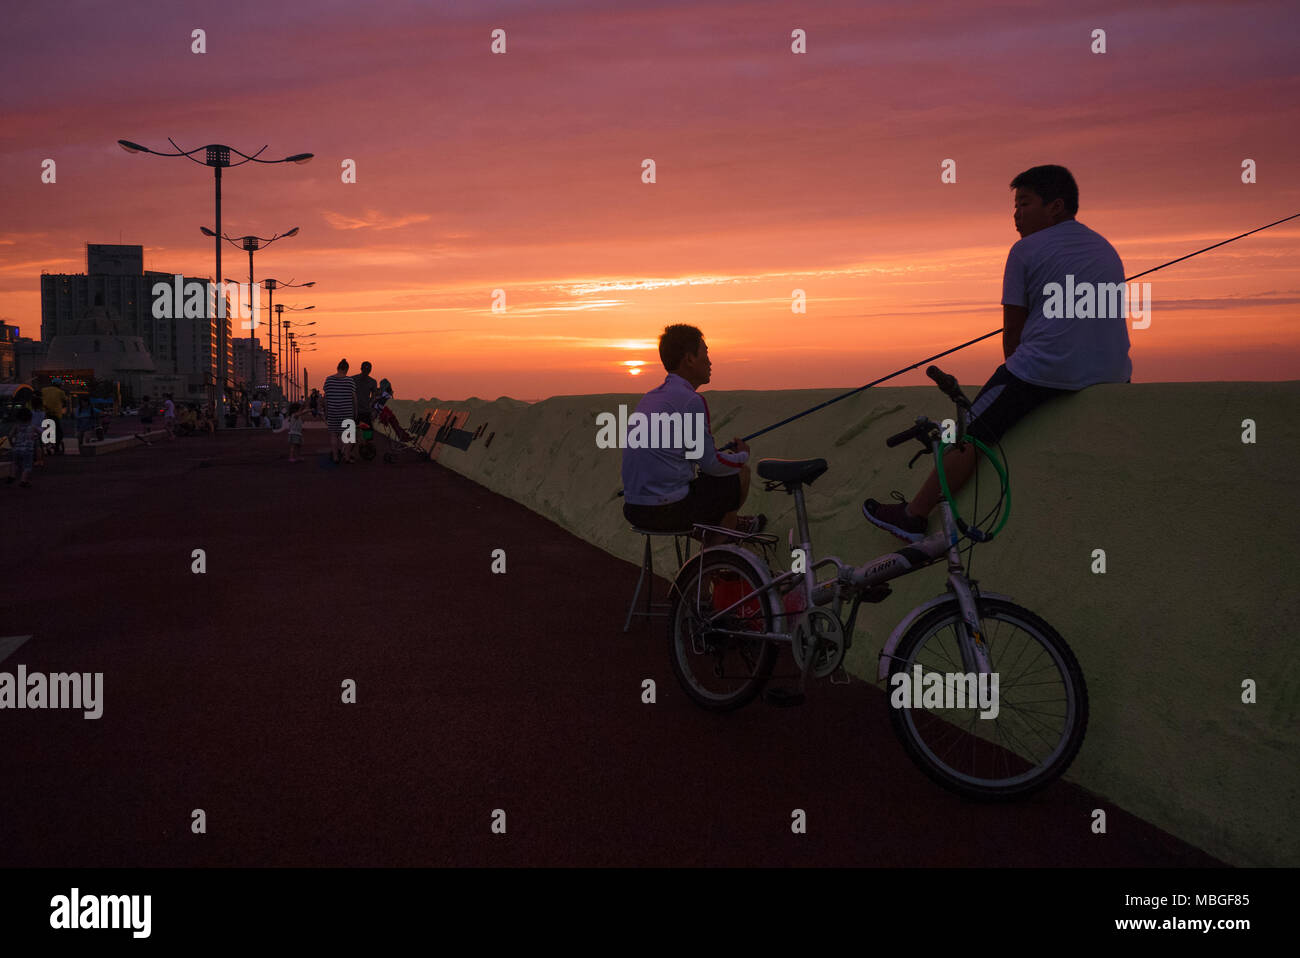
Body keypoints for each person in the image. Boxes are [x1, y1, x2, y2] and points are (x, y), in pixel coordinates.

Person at [863, 164, 1132, 542]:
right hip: (1113, 373)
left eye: (1024, 203)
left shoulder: (1024, 250)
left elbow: (1013, 340)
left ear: (1055, 206)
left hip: (1046, 370)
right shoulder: (1106, 247)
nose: (1015, 214)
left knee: (969, 433)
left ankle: (913, 515)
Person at [621, 324, 765, 542]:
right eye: (705, 353)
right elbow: (710, 464)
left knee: (709, 484)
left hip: (634, 509)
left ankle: (725, 530)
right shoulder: (691, 401)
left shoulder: (650, 398)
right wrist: (742, 455)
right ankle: (717, 555)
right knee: (741, 474)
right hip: (665, 511)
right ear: (689, 359)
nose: (709, 361)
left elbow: (682, 454)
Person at [322, 358, 358, 463]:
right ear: (347, 369)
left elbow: (326, 398)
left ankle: (335, 457)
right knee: (348, 435)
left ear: (337, 368)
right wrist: (355, 412)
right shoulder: (349, 380)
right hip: (347, 412)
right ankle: (346, 457)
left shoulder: (329, 380)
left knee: (333, 435)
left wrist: (326, 411)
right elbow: (354, 398)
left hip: (333, 412)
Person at [5, 408, 38, 487]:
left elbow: (10, 436)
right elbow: (41, 432)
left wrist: (12, 444)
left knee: (15, 463)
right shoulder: (32, 427)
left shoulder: (16, 426)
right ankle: (23, 481)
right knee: (27, 466)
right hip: (28, 450)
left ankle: (12, 476)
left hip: (16, 448)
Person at [40, 382, 67, 454]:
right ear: (59, 385)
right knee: (58, 432)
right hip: (55, 414)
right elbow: (65, 401)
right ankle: (57, 447)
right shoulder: (60, 392)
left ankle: (47, 445)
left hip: (44, 413)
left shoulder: (44, 390)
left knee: (45, 430)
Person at [351, 361, 377, 430]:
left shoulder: (372, 381)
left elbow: (374, 396)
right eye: (365, 369)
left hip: (364, 411)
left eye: (368, 369)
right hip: (355, 411)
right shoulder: (353, 379)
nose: (366, 371)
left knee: (367, 433)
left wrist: (370, 405)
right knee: (357, 433)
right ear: (361, 369)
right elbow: (374, 396)